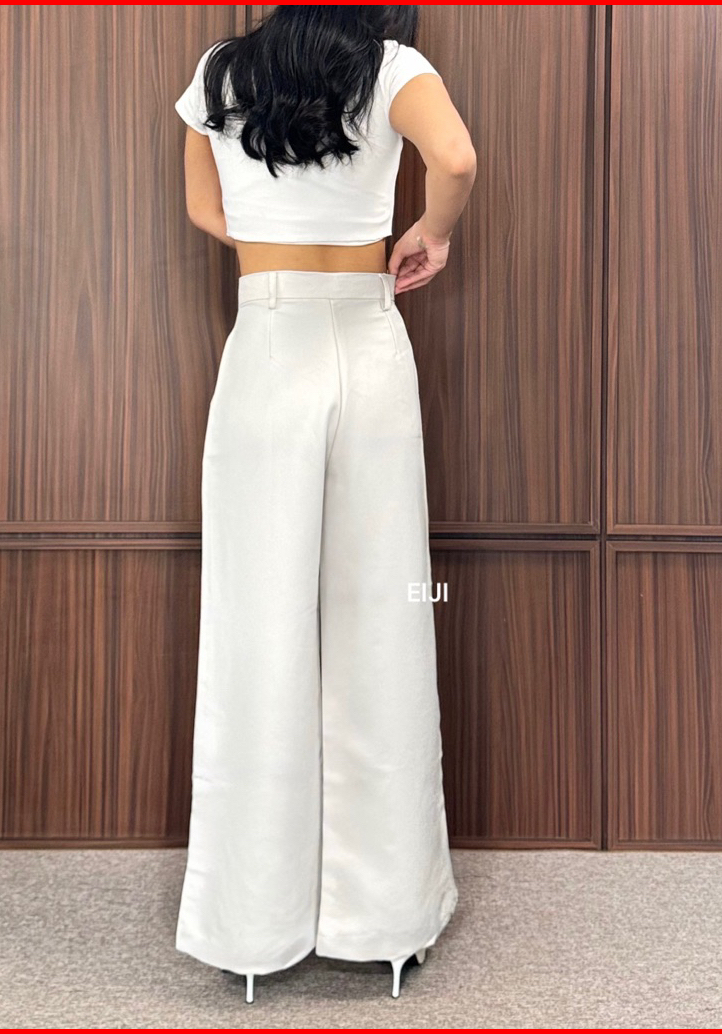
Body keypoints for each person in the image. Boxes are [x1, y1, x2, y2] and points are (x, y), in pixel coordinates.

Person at [171, 5, 477, 1003]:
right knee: (385, 613)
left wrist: (280, 231)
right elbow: (456, 159)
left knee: (256, 622)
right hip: (367, 337)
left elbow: (207, 211)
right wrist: (429, 231)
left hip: (267, 341)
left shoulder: (220, 74)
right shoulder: (393, 67)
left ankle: (250, 922)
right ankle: (386, 920)